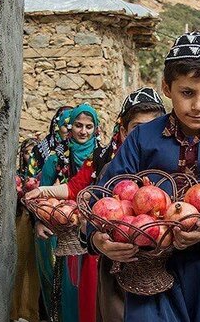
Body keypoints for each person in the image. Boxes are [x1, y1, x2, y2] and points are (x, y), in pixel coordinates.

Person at [90, 31, 200, 321]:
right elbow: (105, 196)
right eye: (188, 93)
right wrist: (96, 239)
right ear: (167, 87)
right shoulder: (142, 139)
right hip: (148, 268)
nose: (198, 105)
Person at [25, 88, 167, 322]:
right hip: (111, 259)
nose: (144, 136)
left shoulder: (171, 164)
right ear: (123, 130)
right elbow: (75, 187)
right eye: (137, 129)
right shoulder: (104, 160)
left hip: (160, 264)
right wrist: (43, 190)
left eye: (153, 128)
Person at [36, 103, 100, 322]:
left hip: (95, 231)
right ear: (70, 126)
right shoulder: (56, 159)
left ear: (96, 129)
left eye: (89, 126)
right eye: (79, 125)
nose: (83, 131)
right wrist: (40, 221)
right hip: (65, 232)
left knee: (95, 286)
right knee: (68, 284)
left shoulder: (103, 158)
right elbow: (41, 193)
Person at [11, 138, 41, 322]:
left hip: (38, 222)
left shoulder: (43, 176)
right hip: (21, 220)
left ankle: (30, 312)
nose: (29, 156)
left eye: (33, 152)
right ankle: (15, 312)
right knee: (19, 263)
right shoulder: (17, 176)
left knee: (35, 268)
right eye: (26, 152)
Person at [27, 106, 73, 178]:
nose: (69, 129)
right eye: (66, 126)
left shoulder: (79, 149)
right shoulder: (39, 150)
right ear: (57, 125)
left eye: (73, 126)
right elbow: (30, 179)